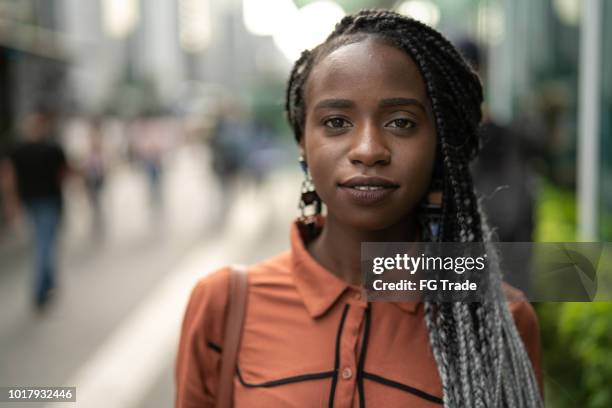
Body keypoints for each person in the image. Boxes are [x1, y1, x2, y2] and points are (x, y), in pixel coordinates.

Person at [176, 10, 543, 407]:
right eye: (336, 122)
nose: (368, 149)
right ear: (302, 141)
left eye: (401, 123)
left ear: (440, 146)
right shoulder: (224, 304)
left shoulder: (498, 316)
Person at [0, 108, 68, 310]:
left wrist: (11, 202)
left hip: (31, 202)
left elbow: (8, 177)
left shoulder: (18, 149)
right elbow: (63, 174)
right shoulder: (51, 148)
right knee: (44, 243)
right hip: (48, 202)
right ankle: (41, 289)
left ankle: (48, 283)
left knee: (42, 241)